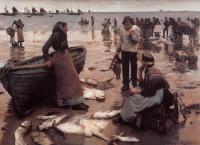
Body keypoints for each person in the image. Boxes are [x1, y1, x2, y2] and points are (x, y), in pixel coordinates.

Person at [113, 52, 175, 128]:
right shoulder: (152, 70)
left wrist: (135, 91)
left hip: (158, 97)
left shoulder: (151, 75)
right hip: (158, 93)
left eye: (142, 62)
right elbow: (144, 85)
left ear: (145, 64)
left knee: (132, 99)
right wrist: (139, 73)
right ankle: (125, 114)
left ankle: (125, 119)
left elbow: (148, 93)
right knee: (136, 91)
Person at [42, 21, 89, 110]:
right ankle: (74, 104)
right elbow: (44, 48)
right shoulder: (55, 36)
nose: (67, 28)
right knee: (67, 82)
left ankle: (77, 102)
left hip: (65, 59)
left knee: (73, 80)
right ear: (61, 28)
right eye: (66, 27)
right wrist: (47, 61)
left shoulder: (63, 35)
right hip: (60, 60)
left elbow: (65, 48)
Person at [116, 16, 140, 91]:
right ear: (124, 23)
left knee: (134, 67)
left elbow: (137, 40)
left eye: (129, 23)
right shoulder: (122, 29)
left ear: (131, 23)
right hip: (124, 51)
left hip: (133, 51)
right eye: (126, 23)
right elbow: (120, 39)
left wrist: (131, 36)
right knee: (125, 68)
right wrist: (118, 49)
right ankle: (125, 84)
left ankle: (134, 83)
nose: (127, 24)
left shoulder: (135, 29)